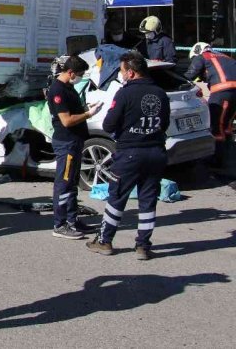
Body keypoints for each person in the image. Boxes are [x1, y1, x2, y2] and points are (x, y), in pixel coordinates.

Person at [87, 52, 170, 260]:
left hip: (130, 153)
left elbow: (108, 124)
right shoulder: (160, 93)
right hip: (156, 153)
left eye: (122, 71)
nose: (121, 75)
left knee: (117, 197)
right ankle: (143, 246)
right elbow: (165, 123)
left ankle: (105, 241)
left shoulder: (125, 94)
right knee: (148, 201)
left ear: (131, 73)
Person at [47, 55, 102, 239]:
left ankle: (72, 220)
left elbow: (73, 111)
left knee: (71, 183)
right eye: (79, 74)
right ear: (70, 72)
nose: (80, 77)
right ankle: (60, 224)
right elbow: (67, 120)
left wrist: (86, 107)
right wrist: (88, 114)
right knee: (64, 184)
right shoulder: (57, 90)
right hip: (66, 143)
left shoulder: (68, 87)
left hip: (75, 141)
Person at [185, 42, 236, 168]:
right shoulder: (225, 57)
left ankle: (217, 161)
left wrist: (178, 80)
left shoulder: (202, 56)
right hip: (233, 93)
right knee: (227, 125)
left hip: (222, 93)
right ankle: (229, 156)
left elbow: (191, 74)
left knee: (216, 126)